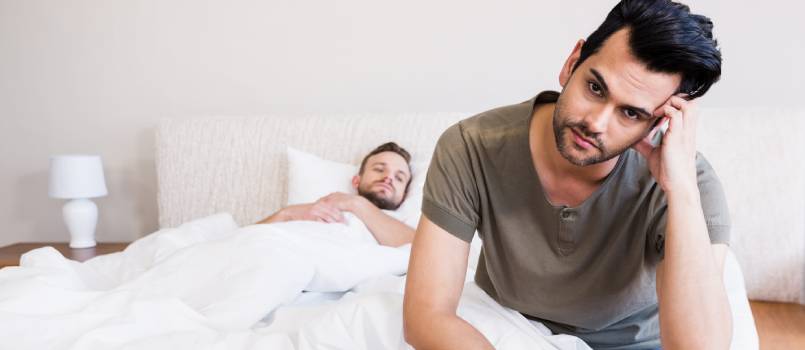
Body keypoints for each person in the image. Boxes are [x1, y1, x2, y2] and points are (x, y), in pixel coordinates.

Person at [403, 1, 732, 349]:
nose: (596, 123)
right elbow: (427, 314)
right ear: (572, 62)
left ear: (659, 122)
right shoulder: (470, 147)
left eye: (631, 113)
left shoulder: (689, 183)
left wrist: (680, 189)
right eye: (595, 88)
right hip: (505, 325)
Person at [256, 142, 416, 247]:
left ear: (404, 194)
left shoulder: (404, 226)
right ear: (356, 181)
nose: (388, 177)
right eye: (379, 169)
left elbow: (420, 250)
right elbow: (244, 238)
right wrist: (287, 213)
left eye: (399, 178)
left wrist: (357, 204)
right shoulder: (322, 205)